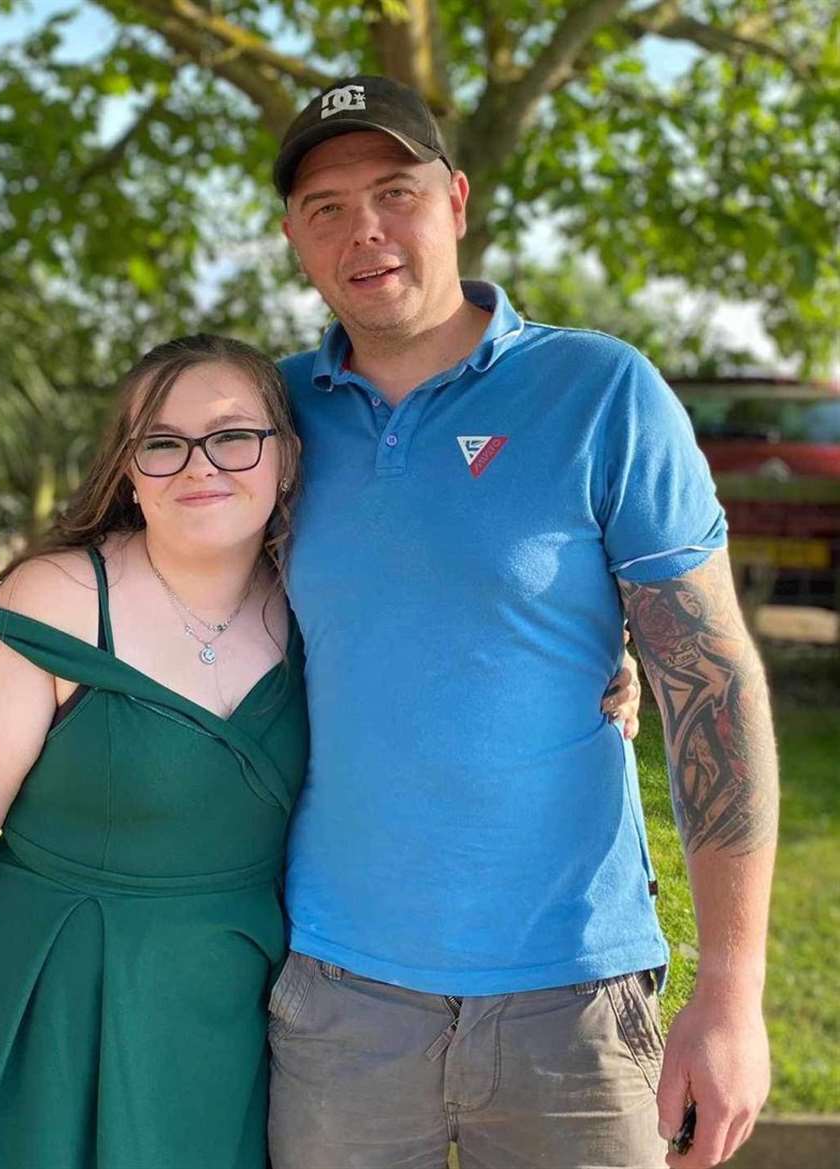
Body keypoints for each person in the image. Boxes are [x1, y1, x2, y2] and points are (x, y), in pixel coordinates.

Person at [0, 328, 646, 1169]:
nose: (199, 465)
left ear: (286, 459)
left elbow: (466, 641)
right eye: (163, 444)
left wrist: (604, 659)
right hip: (43, 1003)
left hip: (224, 1015)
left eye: (232, 437)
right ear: (129, 472)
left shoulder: (311, 599)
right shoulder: (55, 601)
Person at [268, 76, 779, 1169]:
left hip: (576, 996)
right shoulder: (262, 418)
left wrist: (732, 994)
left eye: (394, 192)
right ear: (295, 240)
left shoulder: (600, 391)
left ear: (455, 200)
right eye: (326, 207)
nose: (364, 228)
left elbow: (712, 682)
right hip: (335, 994)